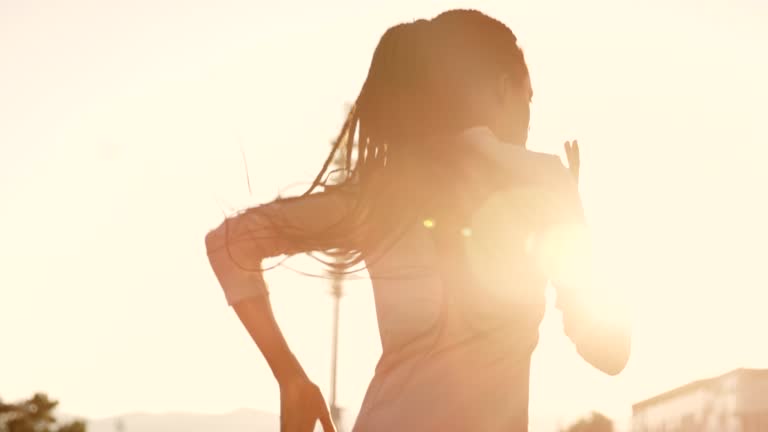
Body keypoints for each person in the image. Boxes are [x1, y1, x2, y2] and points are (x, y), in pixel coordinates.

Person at [205, 9, 631, 432]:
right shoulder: (541, 179)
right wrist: (575, 238)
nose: (530, 115)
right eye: (529, 97)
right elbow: (610, 353)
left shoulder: (382, 195)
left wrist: (290, 375)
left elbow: (231, 242)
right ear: (503, 88)